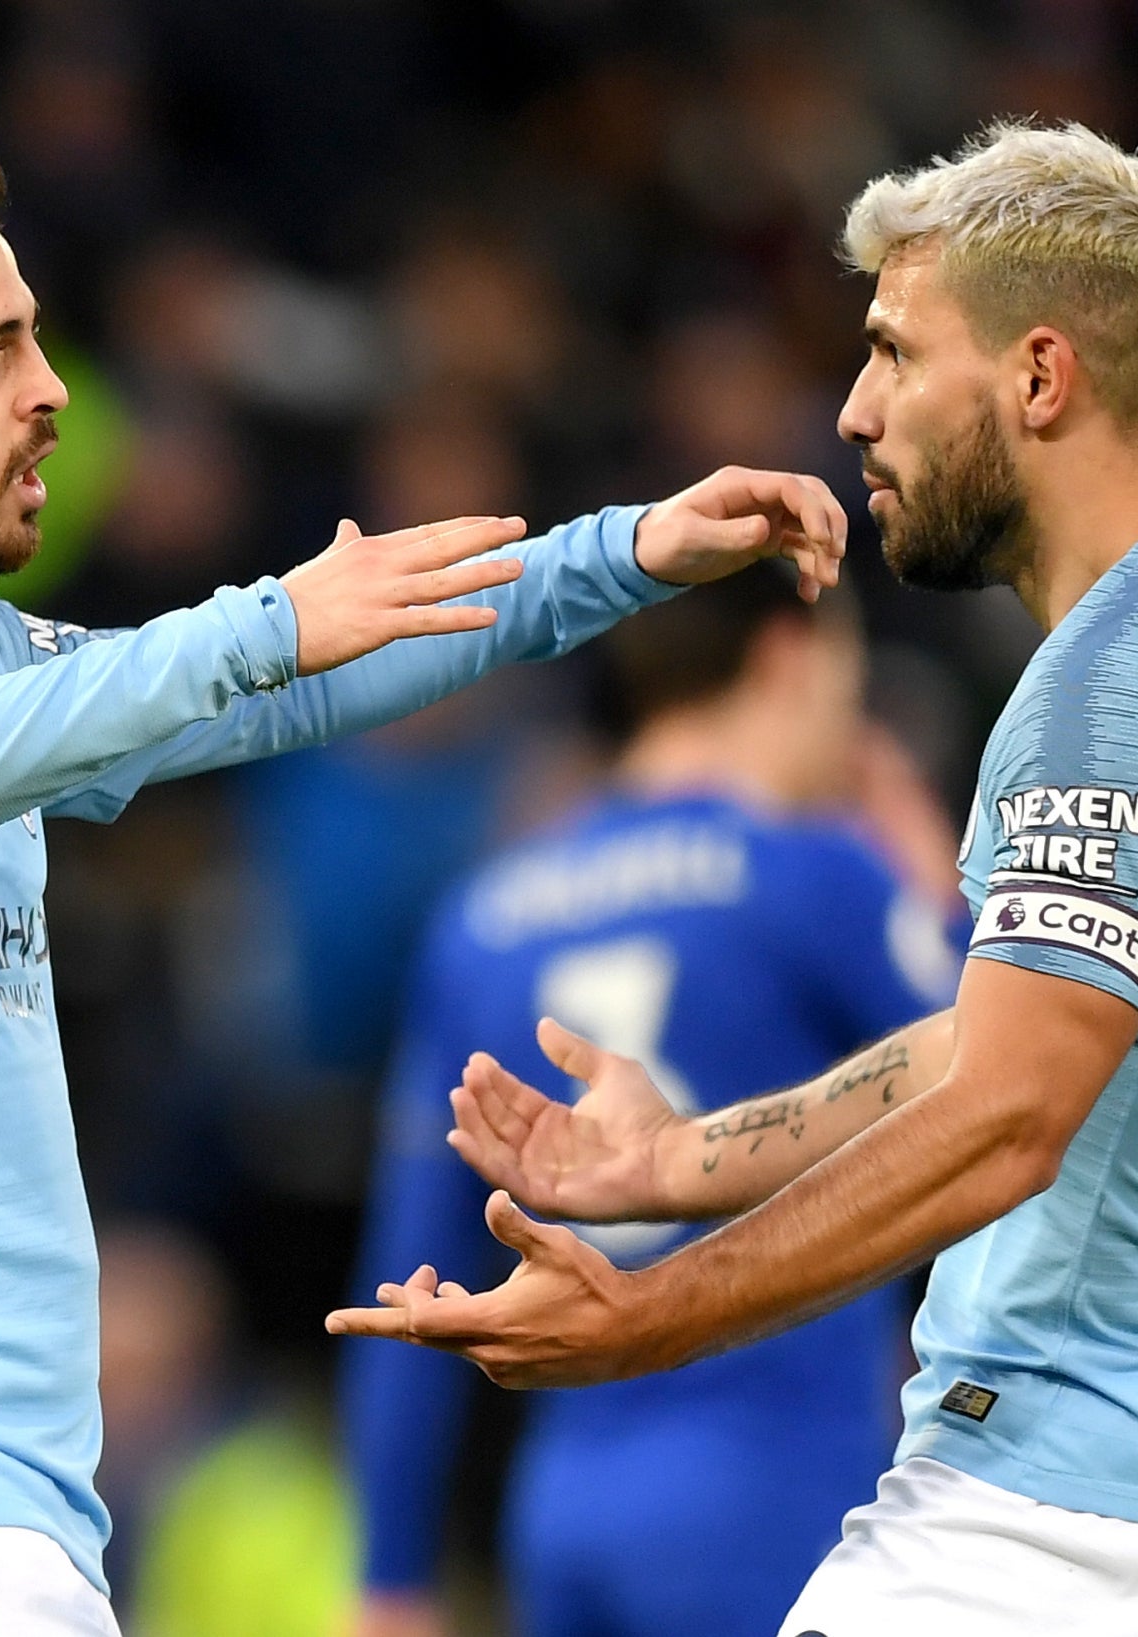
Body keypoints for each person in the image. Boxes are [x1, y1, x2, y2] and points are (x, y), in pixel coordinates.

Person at [0, 140, 846, 1637]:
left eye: (34, 334)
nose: (50, 388)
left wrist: (624, 553)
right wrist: (245, 632)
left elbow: (291, 681)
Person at [331, 119, 1138, 1637]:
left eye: (897, 354)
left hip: (1065, 1521)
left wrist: (650, 1315)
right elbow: (1004, 1038)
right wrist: (675, 1165)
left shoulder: (1120, 690)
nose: (854, 412)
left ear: (1040, 378)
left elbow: (1009, 1119)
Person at [343, 569, 963, 1637]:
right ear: (788, 656)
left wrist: (390, 1570)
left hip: (564, 1508)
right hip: (780, 1488)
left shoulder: (483, 918)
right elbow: (1015, 1078)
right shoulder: (814, 873)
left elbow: (406, 1271)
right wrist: (939, 903)